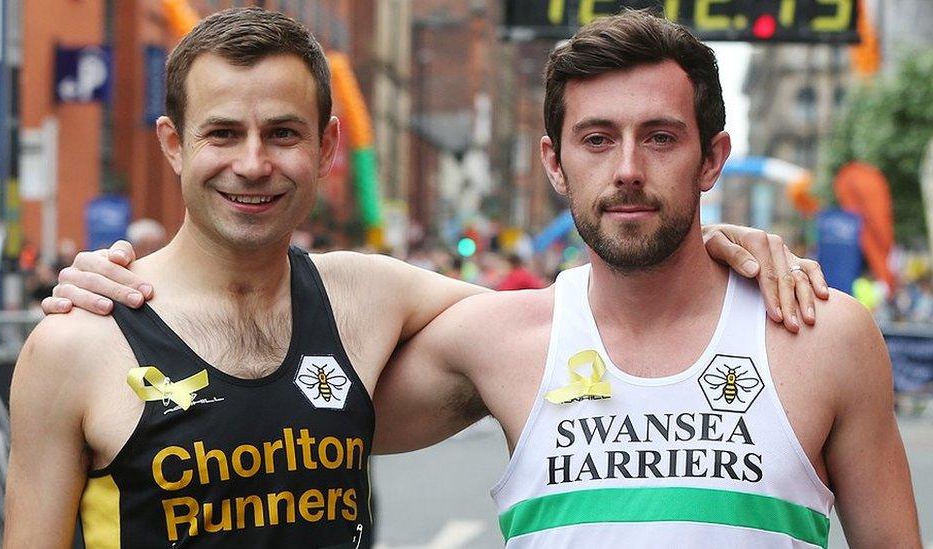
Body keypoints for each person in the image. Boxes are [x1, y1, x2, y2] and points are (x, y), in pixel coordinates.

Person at [27, 7, 831, 547]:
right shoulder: (79, 343)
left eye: (282, 132)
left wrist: (719, 239)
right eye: (222, 133)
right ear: (172, 143)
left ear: (327, 146)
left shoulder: (366, 296)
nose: (253, 163)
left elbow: (593, 311)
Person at [371, 11, 920, 547]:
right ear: (555, 164)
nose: (628, 169)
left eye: (659, 138)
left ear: (711, 159)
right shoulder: (497, 338)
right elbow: (308, 400)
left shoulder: (825, 336)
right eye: (597, 140)